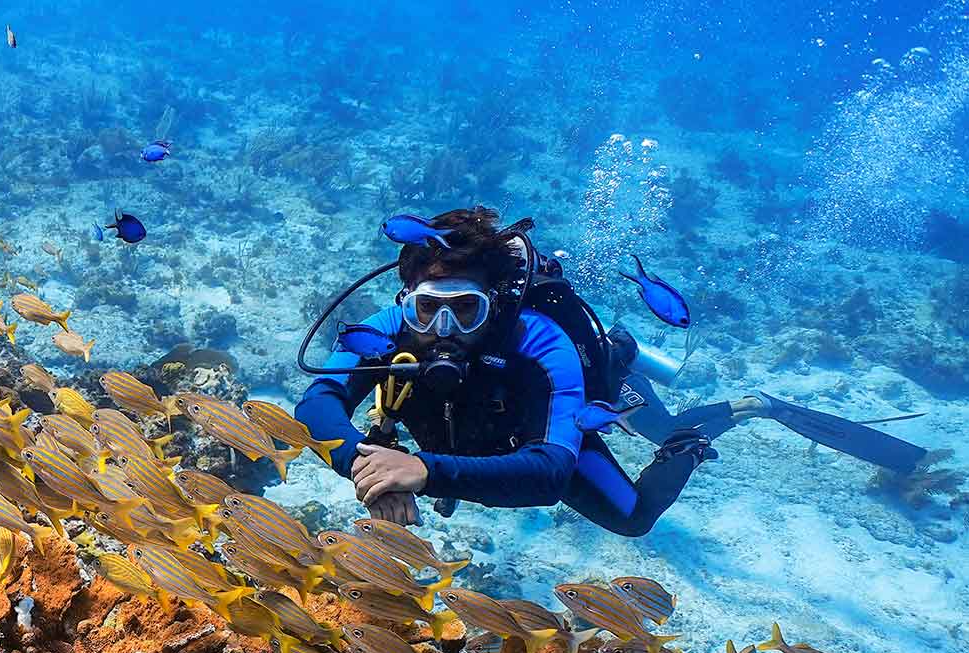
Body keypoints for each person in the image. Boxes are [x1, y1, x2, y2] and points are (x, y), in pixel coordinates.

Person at [293, 207, 922, 536]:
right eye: (430, 310)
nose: (445, 330)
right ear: (406, 300)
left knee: (633, 518)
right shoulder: (384, 325)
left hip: (569, 417)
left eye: (467, 309)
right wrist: (365, 466)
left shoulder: (538, 339)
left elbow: (550, 474)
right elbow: (316, 402)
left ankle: (710, 425)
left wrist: (427, 471)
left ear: (497, 302)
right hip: (464, 449)